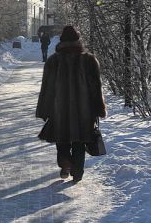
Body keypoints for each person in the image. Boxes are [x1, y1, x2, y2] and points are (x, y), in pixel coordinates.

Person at [35, 25, 106, 183]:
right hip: (84, 112)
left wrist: (44, 110)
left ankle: (65, 164)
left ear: (61, 41)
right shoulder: (89, 60)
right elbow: (96, 88)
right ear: (78, 40)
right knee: (80, 142)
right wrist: (98, 109)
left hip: (59, 111)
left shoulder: (53, 61)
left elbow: (47, 88)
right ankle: (78, 171)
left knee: (62, 140)